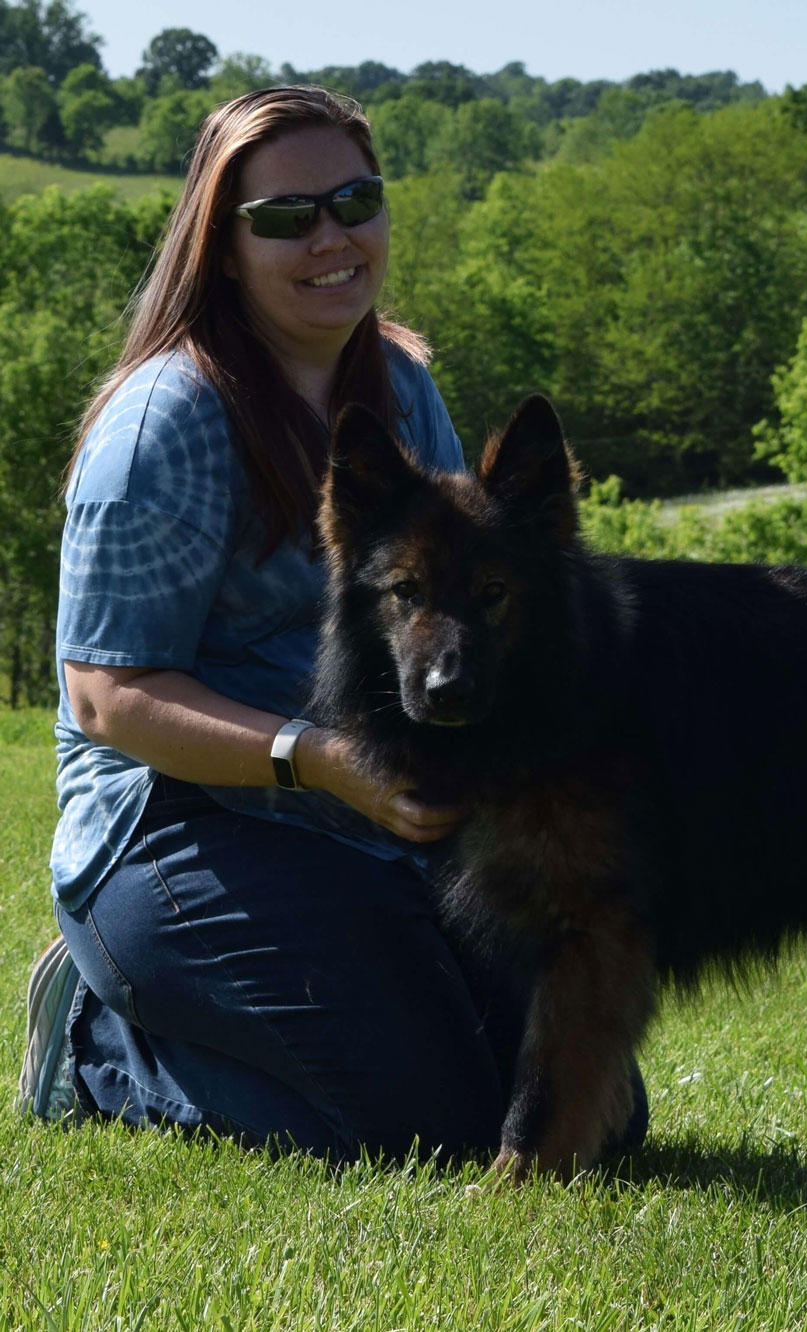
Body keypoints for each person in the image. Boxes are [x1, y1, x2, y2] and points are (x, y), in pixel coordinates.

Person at [17, 85, 646, 1164]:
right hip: (176, 827)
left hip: (357, 818)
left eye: (356, 199)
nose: (333, 235)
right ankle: (97, 1042)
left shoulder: (399, 387)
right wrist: (315, 761)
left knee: (596, 1114)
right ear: (221, 247)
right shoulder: (162, 428)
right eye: (286, 217)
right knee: (433, 1132)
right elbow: (105, 697)